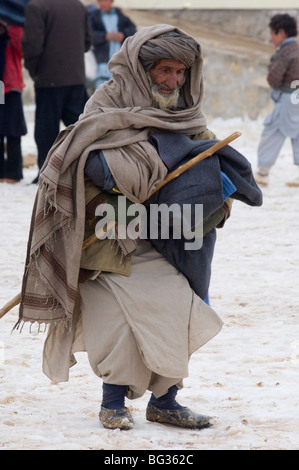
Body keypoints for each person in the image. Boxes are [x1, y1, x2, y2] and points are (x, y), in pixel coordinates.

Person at [16, 25, 262, 431]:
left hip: (170, 240)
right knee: (117, 324)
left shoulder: (186, 114)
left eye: (180, 72)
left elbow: (206, 157)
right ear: (141, 69)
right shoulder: (106, 106)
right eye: (165, 71)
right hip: (110, 240)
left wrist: (196, 187)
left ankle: (165, 401)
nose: (174, 81)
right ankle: (112, 403)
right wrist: (130, 180)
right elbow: (81, 163)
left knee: (176, 312)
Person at [22, 0, 93, 183]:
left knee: (46, 131)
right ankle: (87, 171)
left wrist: (34, 69)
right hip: (75, 76)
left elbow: (32, 44)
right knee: (81, 129)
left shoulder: (36, 7)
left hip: (48, 78)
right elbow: (87, 42)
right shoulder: (77, 5)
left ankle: (47, 175)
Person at [255, 14, 299, 187]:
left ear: (281, 33)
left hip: (289, 98)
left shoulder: (284, 53)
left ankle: (262, 172)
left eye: (272, 34)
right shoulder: (296, 49)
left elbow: (273, 79)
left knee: (273, 130)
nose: (271, 38)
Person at [0, 17, 27, 184]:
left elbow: (22, 48)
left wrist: (7, 25)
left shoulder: (14, 29)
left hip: (11, 84)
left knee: (14, 130)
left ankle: (14, 173)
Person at [88, 0, 136, 88]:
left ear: (111, 1)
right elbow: (89, 35)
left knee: (122, 87)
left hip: (121, 60)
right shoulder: (93, 17)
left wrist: (123, 35)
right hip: (102, 61)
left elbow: (133, 29)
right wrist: (105, 36)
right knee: (102, 88)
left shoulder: (120, 16)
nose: (102, 4)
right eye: (100, 1)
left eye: (104, 1)